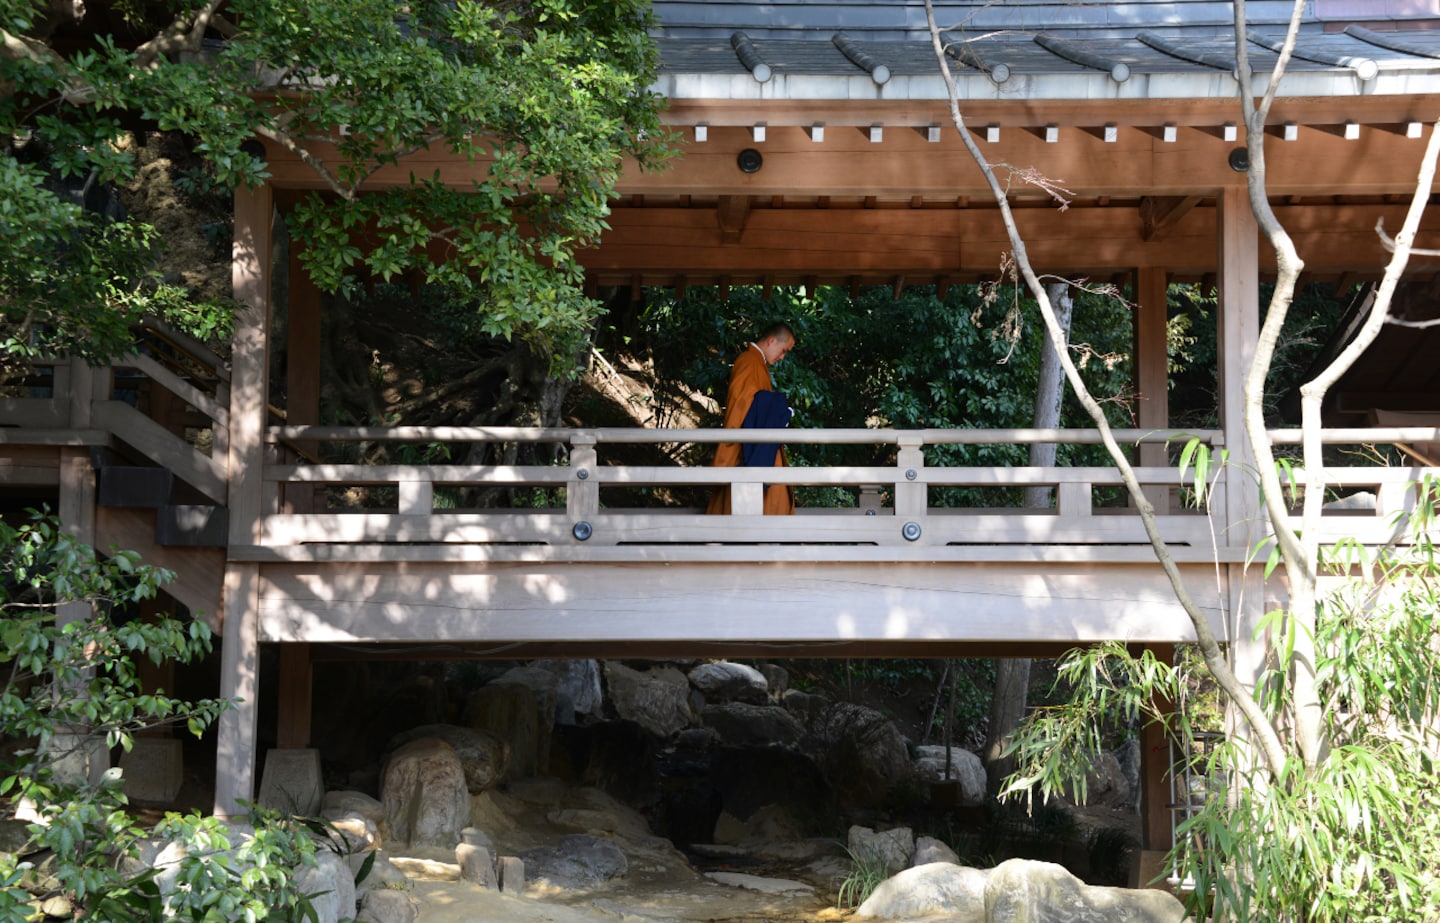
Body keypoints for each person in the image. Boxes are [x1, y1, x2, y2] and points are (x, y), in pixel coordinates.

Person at [706, 323, 796, 515]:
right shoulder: (749, 361)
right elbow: (741, 405)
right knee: (770, 499)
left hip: (756, 444)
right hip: (747, 446)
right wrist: (777, 410)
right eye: (783, 351)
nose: (782, 357)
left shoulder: (756, 363)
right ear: (772, 341)